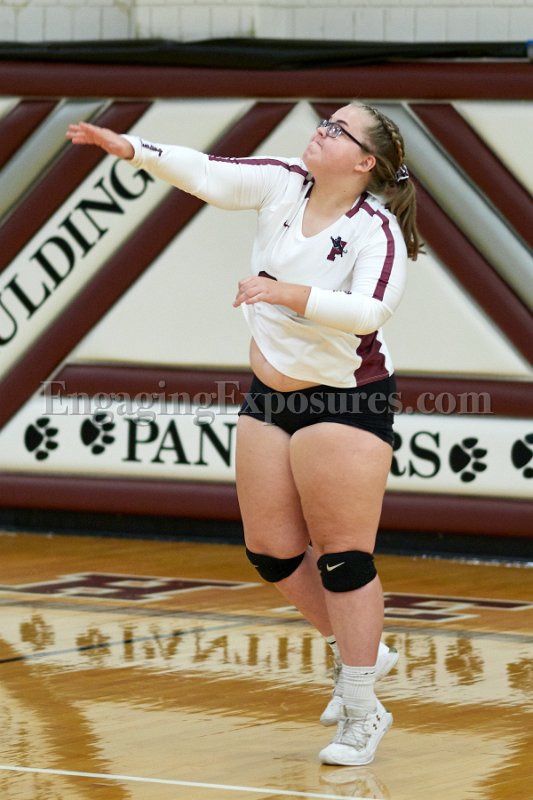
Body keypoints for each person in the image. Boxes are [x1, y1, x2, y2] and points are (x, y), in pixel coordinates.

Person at [67, 103, 422, 766]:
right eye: (326, 120)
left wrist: (280, 292)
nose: (322, 129)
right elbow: (209, 173)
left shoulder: (375, 229)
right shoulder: (285, 181)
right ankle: (361, 650)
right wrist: (132, 148)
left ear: (364, 162)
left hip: (346, 398)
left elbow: (370, 311)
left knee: (343, 558)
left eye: (338, 129)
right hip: (269, 396)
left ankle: (361, 708)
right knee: (271, 552)